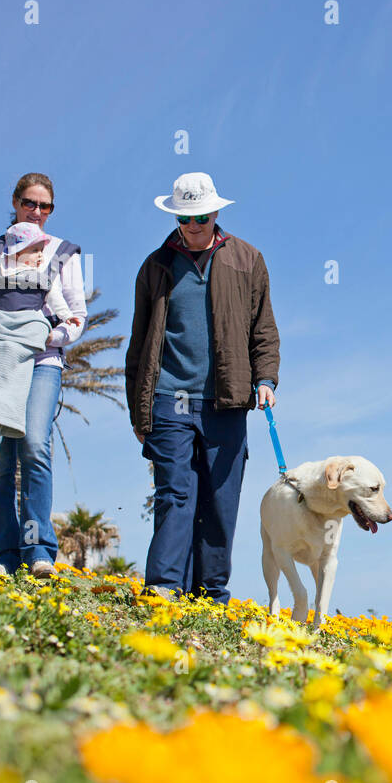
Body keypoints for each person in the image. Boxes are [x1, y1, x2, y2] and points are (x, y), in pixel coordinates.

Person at [127, 172, 280, 603]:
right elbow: (139, 346)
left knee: (220, 499)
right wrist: (138, 412)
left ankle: (210, 592)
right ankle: (163, 586)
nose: (193, 227)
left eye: (201, 217)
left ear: (216, 212)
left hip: (227, 399)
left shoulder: (248, 260)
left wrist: (265, 379)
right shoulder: (155, 266)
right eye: (184, 219)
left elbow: (263, 330)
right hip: (167, 398)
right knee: (175, 492)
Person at [0, 173, 87, 577]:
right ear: (15, 202)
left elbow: (77, 312)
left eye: (44, 206)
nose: (36, 211)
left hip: (42, 361)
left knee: (34, 444)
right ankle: (4, 553)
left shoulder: (63, 253)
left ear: (51, 210)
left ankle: (39, 549)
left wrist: (51, 336)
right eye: (29, 203)